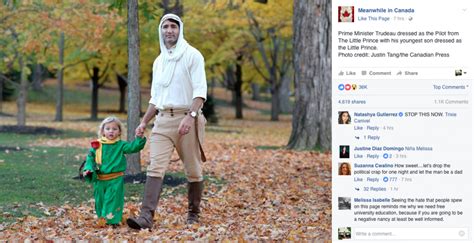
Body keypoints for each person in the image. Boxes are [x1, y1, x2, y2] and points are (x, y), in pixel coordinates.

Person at [127, 13, 207, 230]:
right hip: (162, 121)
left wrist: (191, 117)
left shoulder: (193, 55)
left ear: (180, 29)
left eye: (173, 26)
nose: (169, 30)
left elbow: (200, 91)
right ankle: (146, 217)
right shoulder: (159, 61)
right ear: (160, 31)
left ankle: (193, 213)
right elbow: (156, 98)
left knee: (193, 170)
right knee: (155, 166)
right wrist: (144, 122)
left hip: (187, 119)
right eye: (165, 27)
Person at [83, 116, 146, 226]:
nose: (111, 131)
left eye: (114, 129)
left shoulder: (121, 145)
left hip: (115, 179)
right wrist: (88, 169)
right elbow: (90, 158)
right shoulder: (97, 145)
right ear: (103, 131)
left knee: (112, 200)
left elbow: (133, 147)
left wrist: (139, 139)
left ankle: (112, 222)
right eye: (108, 129)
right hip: (100, 179)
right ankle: (102, 220)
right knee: (100, 201)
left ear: (119, 131)